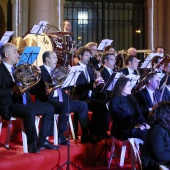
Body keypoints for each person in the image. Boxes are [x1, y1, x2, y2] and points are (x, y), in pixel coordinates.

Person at [0, 43, 59, 153]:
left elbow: (31, 88)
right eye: (15, 52)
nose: (18, 55)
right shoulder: (1, 70)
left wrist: (37, 75)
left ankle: (42, 140)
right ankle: (32, 143)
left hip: (24, 103)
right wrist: (13, 91)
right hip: (10, 105)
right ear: (6, 54)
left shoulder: (17, 69)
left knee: (49, 108)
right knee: (29, 111)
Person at [30, 50, 90, 144]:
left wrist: (70, 76)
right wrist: (45, 89)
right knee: (65, 106)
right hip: (48, 100)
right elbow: (32, 90)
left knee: (83, 105)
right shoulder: (39, 71)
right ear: (47, 59)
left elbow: (66, 86)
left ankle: (86, 135)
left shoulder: (58, 71)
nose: (57, 60)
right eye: (54, 57)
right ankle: (61, 135)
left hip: (62, 99)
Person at [71, 46, 106, 141]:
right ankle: (88, 134)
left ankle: (97, 132)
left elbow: (93, 83)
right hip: (79, 97)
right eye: (86, 55)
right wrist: (92, 85)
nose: (89, 57)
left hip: (89, 97)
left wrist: (98, 82)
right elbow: (77, 86)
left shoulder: (89, 68)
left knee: (103, 105)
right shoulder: (75, 69)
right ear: (80, 56)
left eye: (89, 55)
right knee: (97, 106)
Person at [109, 76, 149, 140]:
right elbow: (120, 122)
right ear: (121, 87)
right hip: (122, 130)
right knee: (145, 135)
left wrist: (144, 123)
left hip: (134, 126)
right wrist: (136, 127)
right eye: (128, 86)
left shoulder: (131, 97)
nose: (131, 88)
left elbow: (139, 112)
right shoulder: (114, 102)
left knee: (153, 132)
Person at [141, 101, 170, 169]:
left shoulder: (163, 127)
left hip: (160, 161)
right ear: (166, 115)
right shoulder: (157, 130)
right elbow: (159, 156)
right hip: (153, 165)